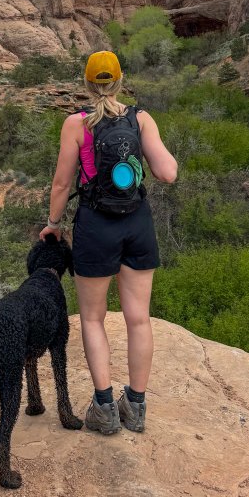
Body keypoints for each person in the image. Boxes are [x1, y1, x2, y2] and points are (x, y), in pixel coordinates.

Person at [39, 50, 178, 435]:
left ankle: (104, 407)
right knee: (138, 318)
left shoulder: (76, 124)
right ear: (120, 81)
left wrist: (53, 224)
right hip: (137, 224)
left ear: (86, 84)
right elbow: (167, 173)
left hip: (95, 226)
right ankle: (135, 406)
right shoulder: (141, 119)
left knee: (93, 318)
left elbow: (62, 185)